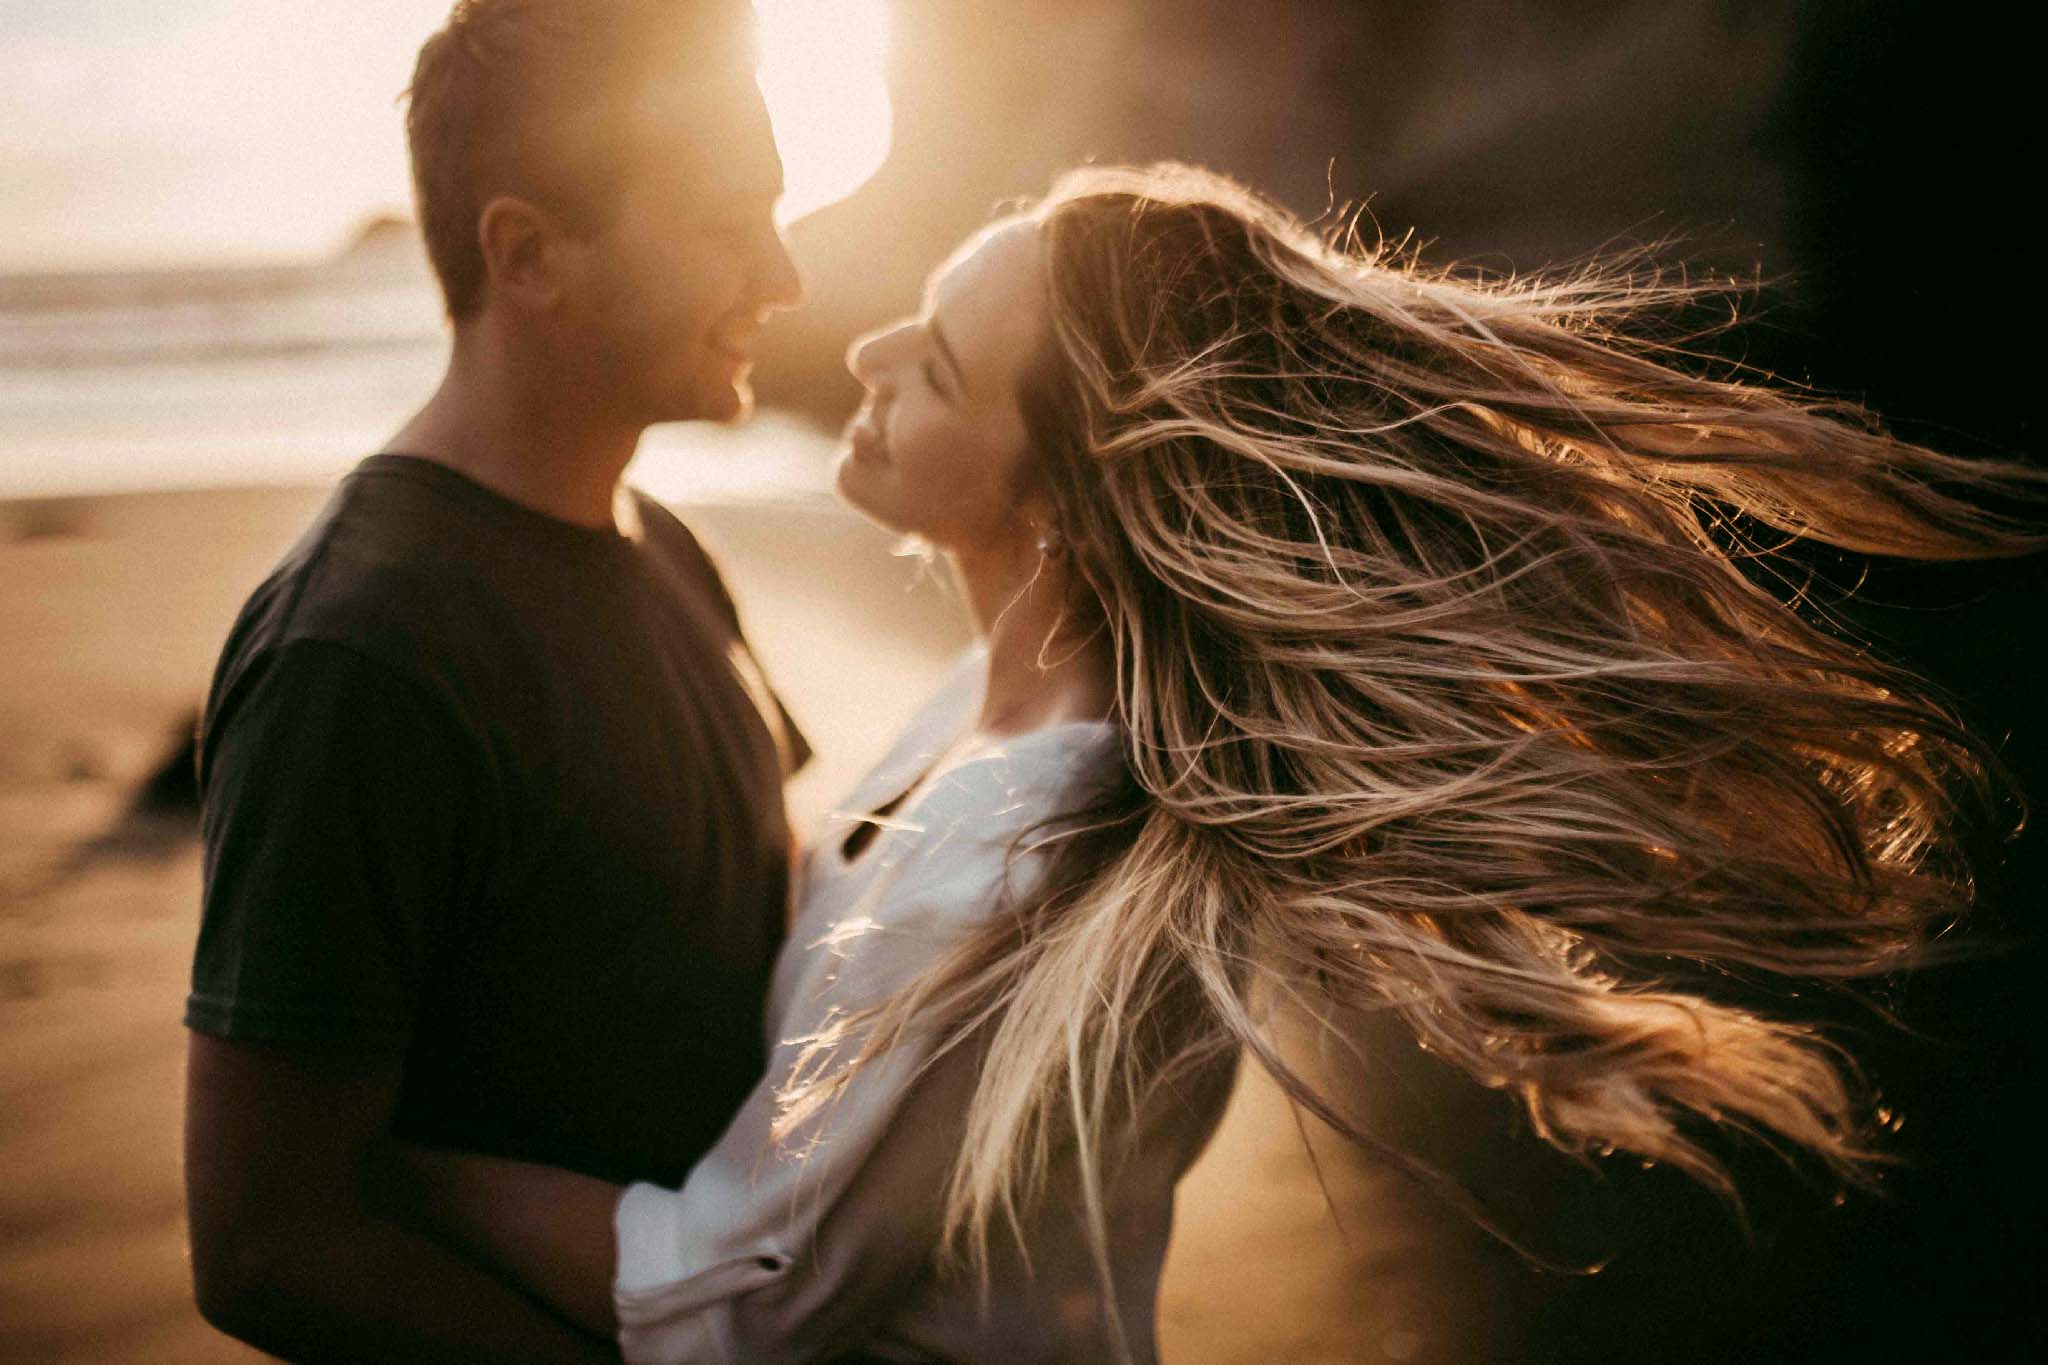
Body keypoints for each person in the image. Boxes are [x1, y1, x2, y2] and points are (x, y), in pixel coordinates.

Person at [391, 163, 2045, 1363]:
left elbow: (747, 1303)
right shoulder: (987, 707)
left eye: (942, 365)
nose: (872, 360)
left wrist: (382, 1167)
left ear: (1057, 496)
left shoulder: (1026, 835)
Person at [181, 2, 804, 1361]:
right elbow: (264, 1241)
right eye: (723, 222)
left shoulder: (666, 544)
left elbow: (759, 914)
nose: (785, 275)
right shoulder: (361, 655)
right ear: (526, 254)